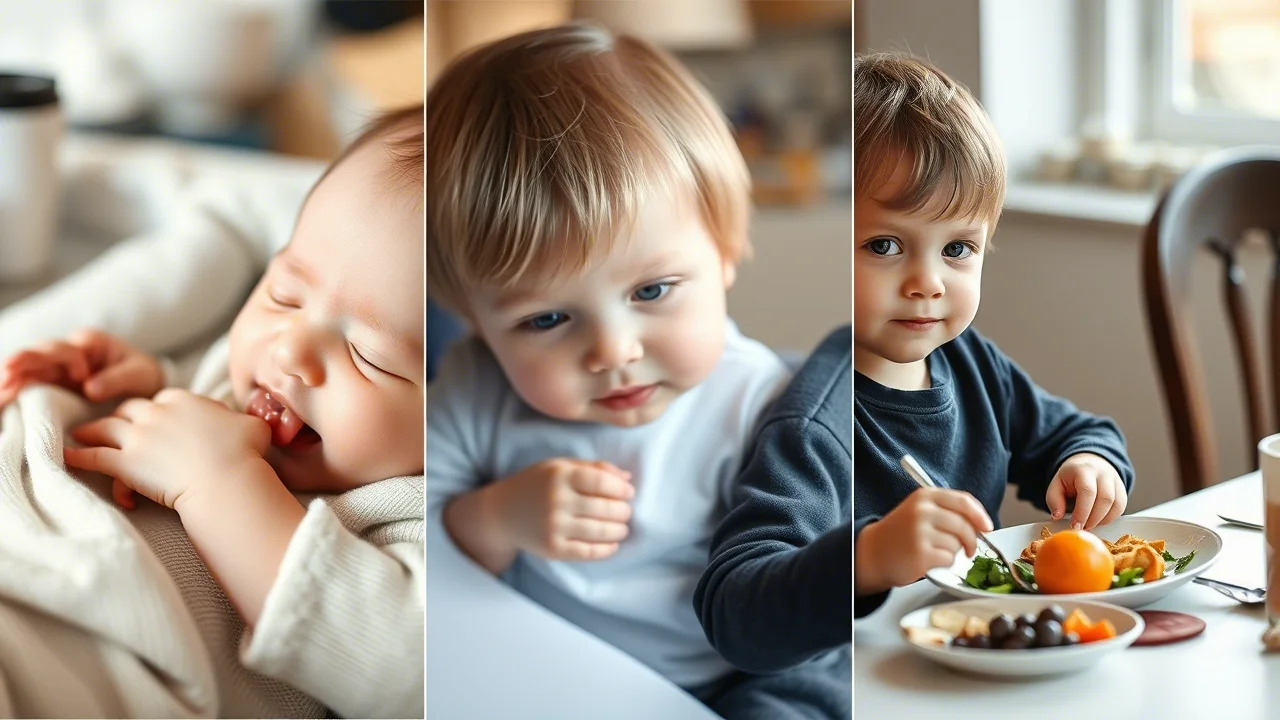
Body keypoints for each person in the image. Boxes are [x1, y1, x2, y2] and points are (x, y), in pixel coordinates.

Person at [424, 23, 801, 718]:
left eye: (651, 291)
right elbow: (412, 549)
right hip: (532, 678)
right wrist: (494, 518)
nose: (613, 350)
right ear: (476, 323)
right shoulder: (477, 387)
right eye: (545, 320)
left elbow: (801, 582)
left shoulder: (764, 405)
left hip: (719, 686)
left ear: (725, 250)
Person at [0, 105, 426, 718]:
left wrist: (223, 484)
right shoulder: (250, 379)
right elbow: (205, 406)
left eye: (371, 357)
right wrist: (138, 381)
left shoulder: (424, 521)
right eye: (284, 293)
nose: (290, 347)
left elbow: (400, 670)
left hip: (61, 653)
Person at [851, 53, 1135, 618]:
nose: (927, 284)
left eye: (958, 249)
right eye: (884, 246)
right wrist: (867, 558)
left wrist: (1088, 463)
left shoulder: (971, 363)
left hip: (983, 640)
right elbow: (765, 578)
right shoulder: (809, 407)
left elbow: (1075, 432)